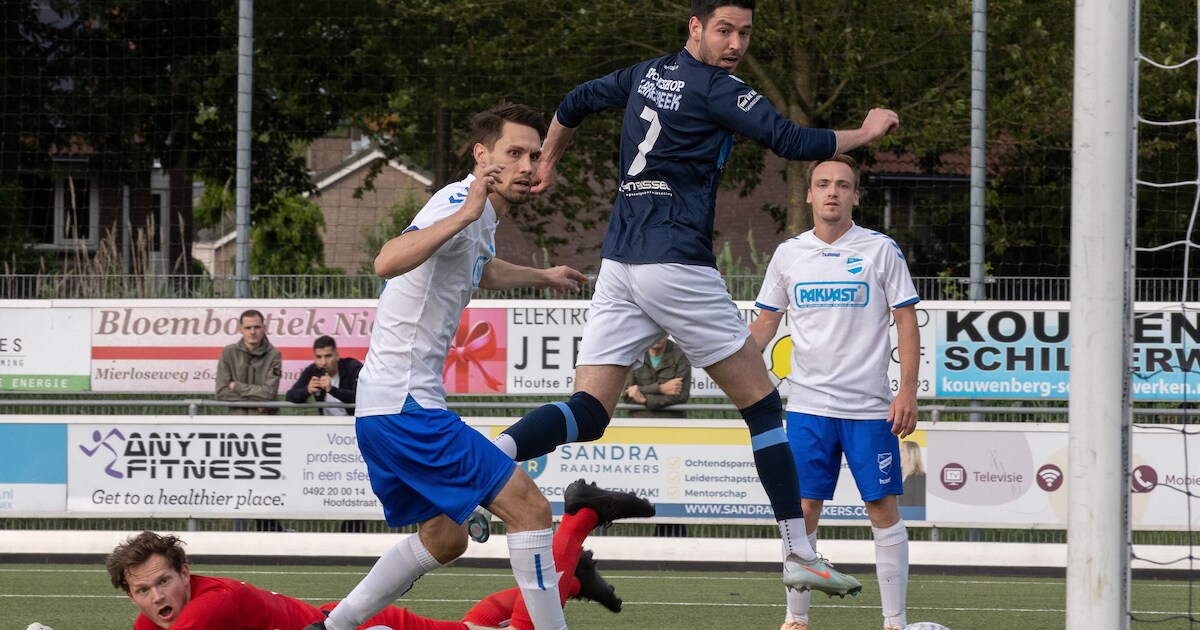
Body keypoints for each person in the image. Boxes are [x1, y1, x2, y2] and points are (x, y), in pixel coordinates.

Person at [492, 0, 897, 597]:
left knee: (589, 411)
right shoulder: (718, 89)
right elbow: (791, 139)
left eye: (745, 34)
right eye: (725, 31)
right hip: (676, 262)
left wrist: (549, 159)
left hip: (620, 263)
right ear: (696, 28)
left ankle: (485, 459)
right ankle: (798, 552)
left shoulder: (642, 75)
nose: (735, 44)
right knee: (763, 408)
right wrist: (865, 130)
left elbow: (573, 101)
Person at [313, 103, 590, 630]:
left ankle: (332, 626)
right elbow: (386, 261)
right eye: (514, 153)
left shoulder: (479, 215)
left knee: (445, 538)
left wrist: (544, 276)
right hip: (405, 407)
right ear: (481, 155)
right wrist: (464, 213)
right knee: (530, 509)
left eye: (534, 155)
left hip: (384, 409)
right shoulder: (461, 202)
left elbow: (480, 268)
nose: (527, 166)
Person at [98, 480, 650, 630]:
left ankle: (580, 516)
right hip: (352, 619)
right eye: (144, 590)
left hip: (364, 627)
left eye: (163, 581)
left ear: (185, 572)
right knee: (474, 625)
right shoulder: (165, 616)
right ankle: (570, 577)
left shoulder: (206, 607)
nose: (157, 596)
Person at [748, 154, 920, 630]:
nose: (832, 192)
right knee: (802, 509)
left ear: (855, 196)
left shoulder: (880, 249)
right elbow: (765, 323)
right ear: (809, 194)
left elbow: (906, 320)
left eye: (842, 185)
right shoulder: (788, 254)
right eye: (823, 184)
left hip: (869, 409)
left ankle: (895, 621)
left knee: (881, 507)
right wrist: (730, 362)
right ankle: (795, 619)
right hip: (807, 408)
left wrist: (907, 390)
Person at [215, 309, 282, 416]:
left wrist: (236, 386)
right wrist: (256, 403)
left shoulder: (274, 355)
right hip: (236, 420)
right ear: (240, 329)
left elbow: (269, 393)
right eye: (248, 328)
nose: (252, 332)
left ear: (264, 328)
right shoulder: (228, 353)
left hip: (265, 420)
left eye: (257, 327)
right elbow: (221, 392)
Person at [286, 335, 363, 416]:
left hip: (352, 420)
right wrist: (307, 390)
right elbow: (290, 396)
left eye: (328, 356)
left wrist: (332, 390)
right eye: (319, 357)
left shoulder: (352, 367)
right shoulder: (313, 370)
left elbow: (360, 397)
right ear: (314, 358)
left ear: (337, 356)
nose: (323, 362)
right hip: (326, 422)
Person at [623, 335, 691, 419]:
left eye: (660, 332)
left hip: (671, 419)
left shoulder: (680, 354)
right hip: (639, 419)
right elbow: (628, 395)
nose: (657, 336)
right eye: (653, 332)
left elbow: (681, 396)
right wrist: (660, 388)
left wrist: (645, 399)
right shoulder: (635, 353)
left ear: (667, 333)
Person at [899, 440, 926, 508]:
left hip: (911, 514)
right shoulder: (896, 476)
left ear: (910, 454)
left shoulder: (920, 477)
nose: (898, 453)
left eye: (902, 450)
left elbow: (920, 504)